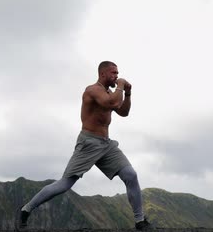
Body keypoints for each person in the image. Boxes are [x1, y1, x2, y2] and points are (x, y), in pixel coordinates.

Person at [15, 61, 152, 231]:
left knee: (130, 175)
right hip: (89, 143)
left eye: (118, 73)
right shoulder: (92, 90)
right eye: (113, 73)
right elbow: (110, 103)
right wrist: (121, 86)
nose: (116, 76)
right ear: (102, 74)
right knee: (65, 184)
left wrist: (128, 94)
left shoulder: (110, 93)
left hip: (106, 144)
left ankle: (140, 221)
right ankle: (26, 209)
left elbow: (123, 112)